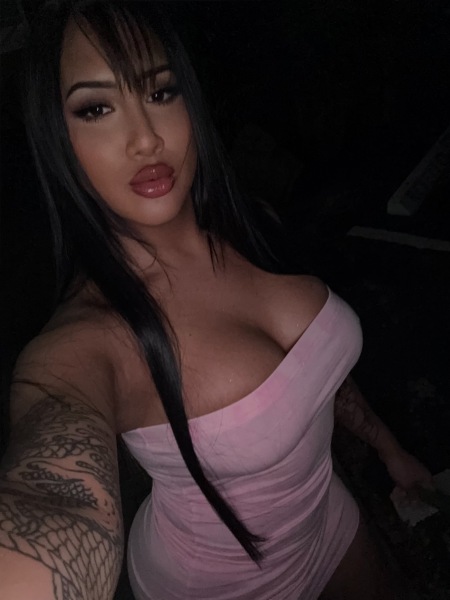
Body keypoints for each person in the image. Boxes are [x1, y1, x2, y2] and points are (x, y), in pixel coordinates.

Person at [0, 2, 433, 599]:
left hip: (325, 515)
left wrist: (390, 449)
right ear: (59, 139)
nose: (146, 138)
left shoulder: (255, 222)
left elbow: (317, 375)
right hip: (213, 585)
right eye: (96, 108)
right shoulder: (90, 340)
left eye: (160, 93)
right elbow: (52, 496)